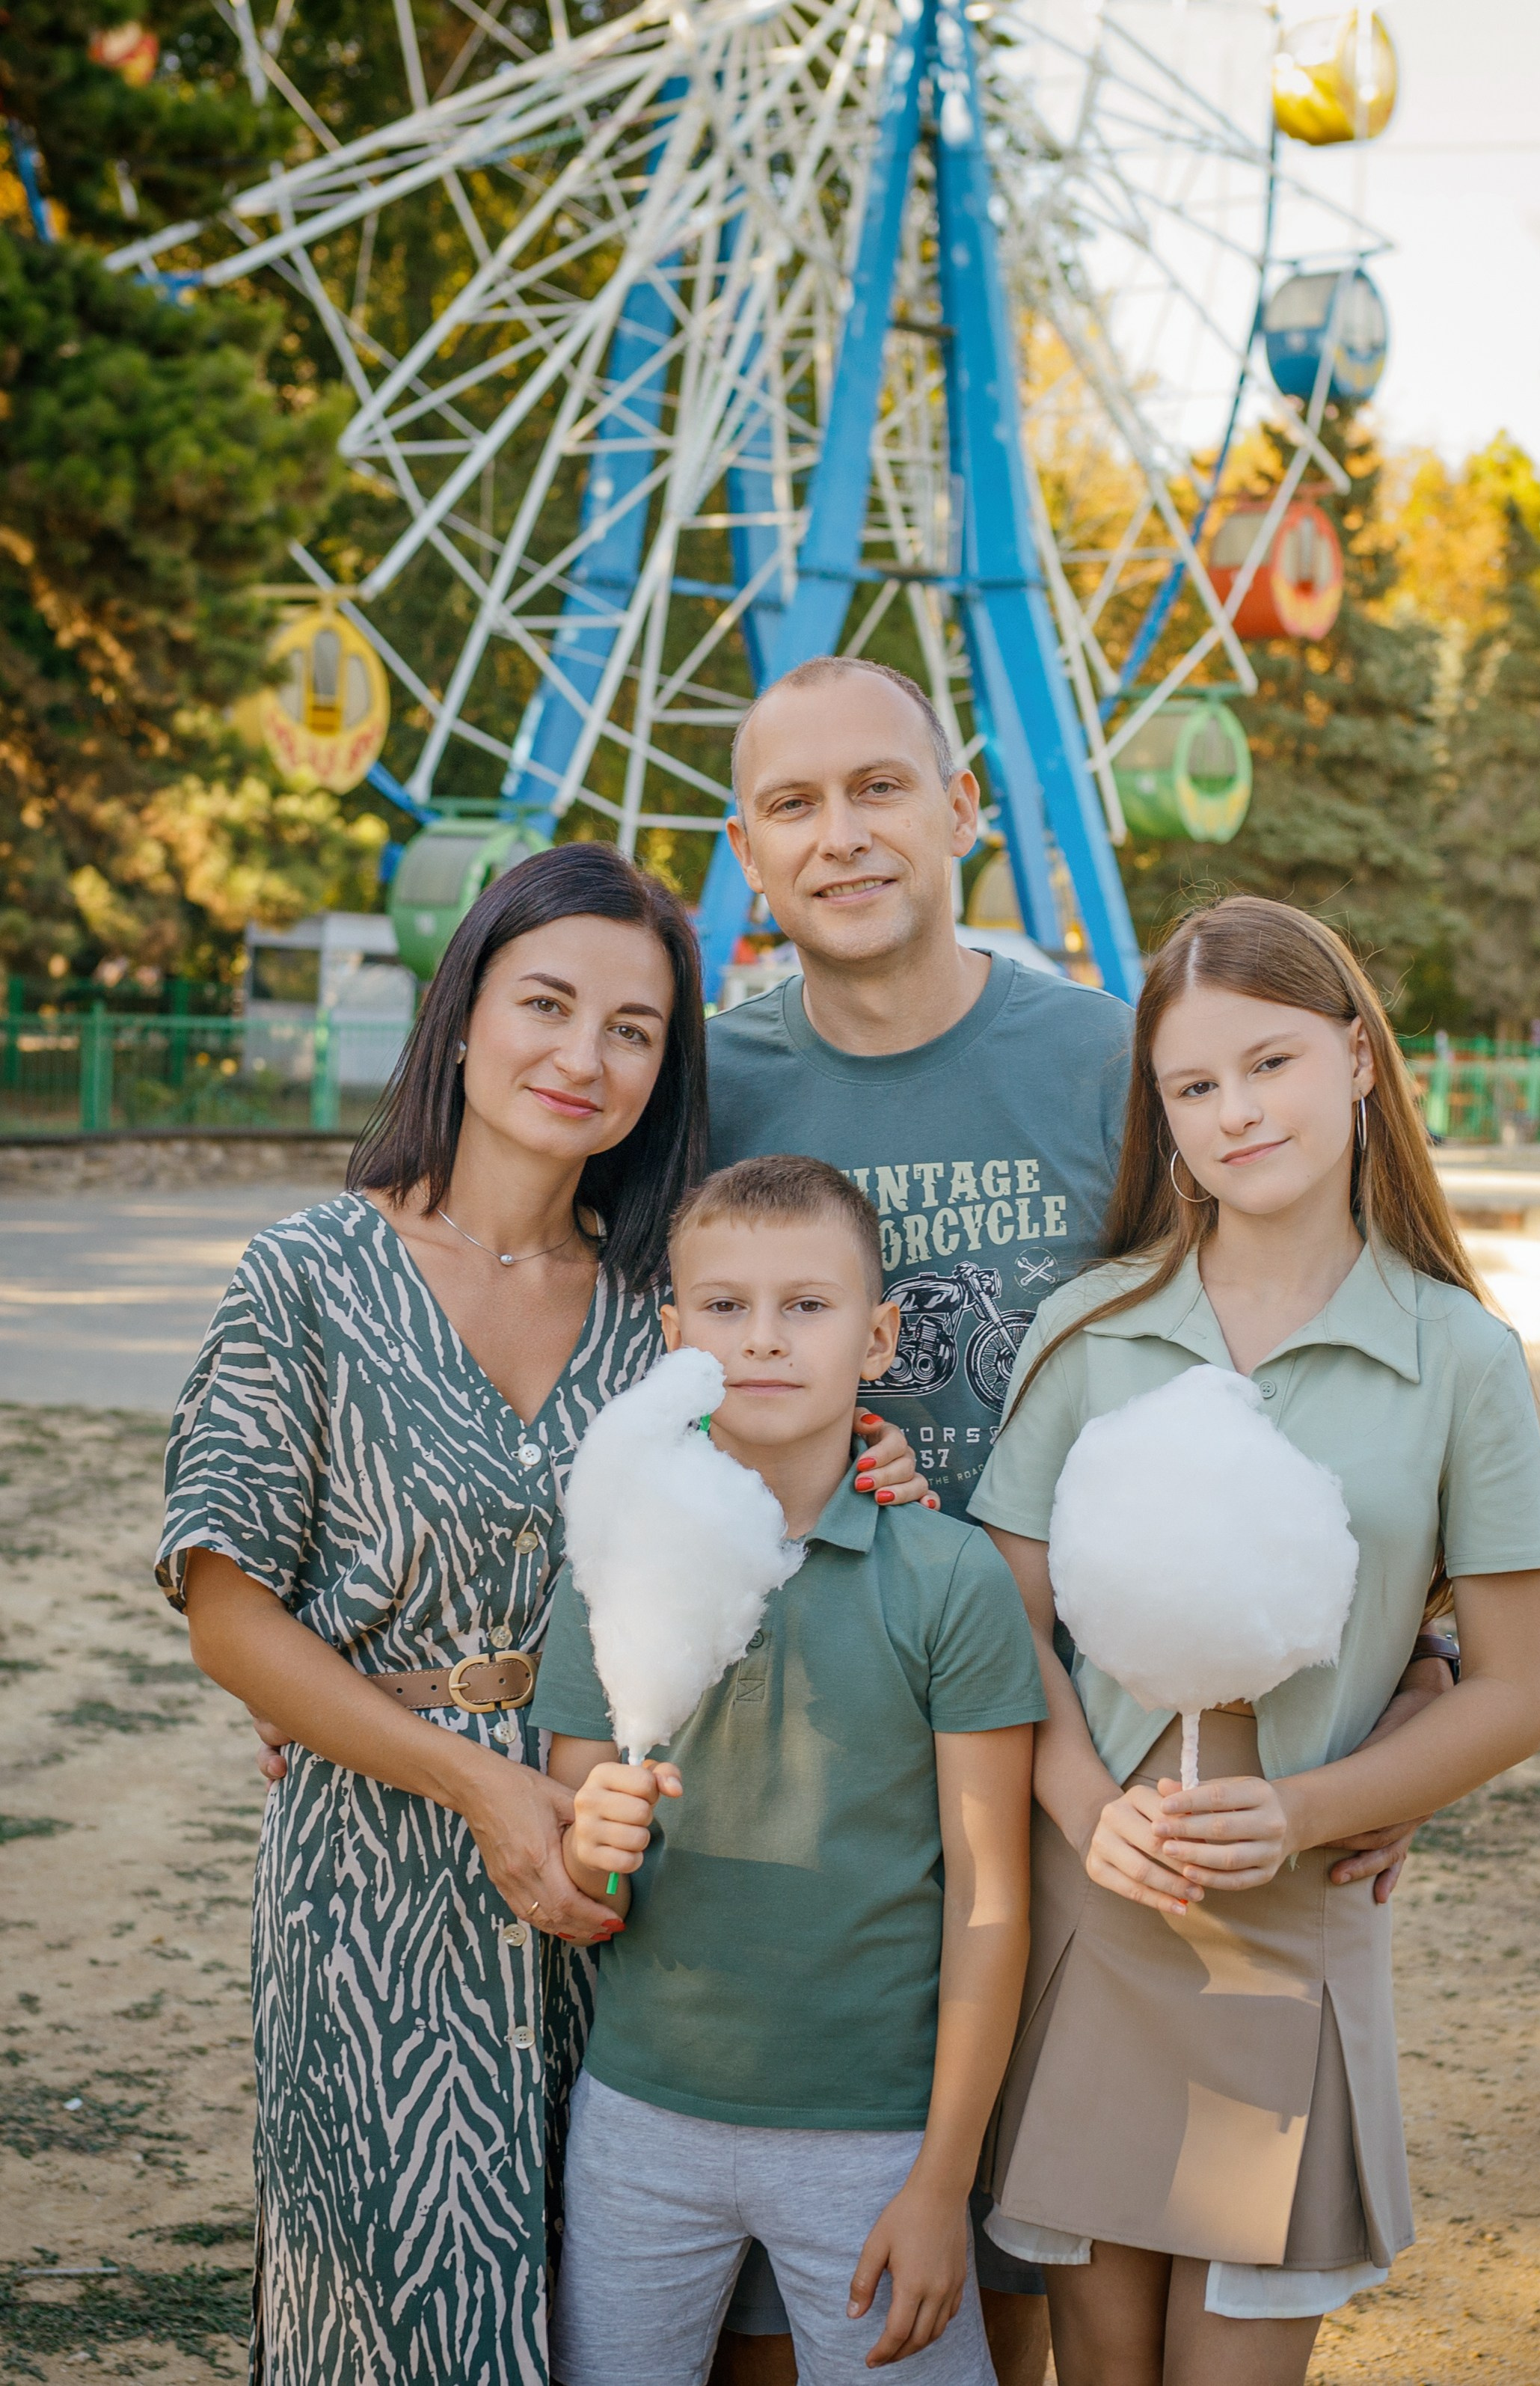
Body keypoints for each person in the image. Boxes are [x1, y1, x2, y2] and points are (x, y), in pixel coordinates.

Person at [702, 655, 1449, 2381]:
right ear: (746, 851)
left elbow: (1269, 1341)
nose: (840, 834)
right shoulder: (710, 1086)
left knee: (1024, 2268)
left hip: (1070, 1767)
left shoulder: (1105, 1059)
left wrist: (1401, 1675)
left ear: (962, 806)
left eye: (880, 786)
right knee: (793, 2297)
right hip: (796, 1751)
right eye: (792, 803)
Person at [160, 846, 925, 2386]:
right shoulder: (308, 1276)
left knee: (622, 2318)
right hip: (374, 1883)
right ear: (461, 1014)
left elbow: (786, 1497)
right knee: (398, 2312)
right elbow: (229, 1613)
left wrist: (873, 1458)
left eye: (633, 1028)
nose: (584, 1054)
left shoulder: (672, 1310)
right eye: (548, 1003)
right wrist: (480, 1784)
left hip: (639, 1874)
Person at [966, 895, 1540, 2385]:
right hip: (1097, 1903)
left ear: (1357, 1058)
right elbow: (998, 1618)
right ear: (1161, 1116)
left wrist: (1307, 1808)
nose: (1235, 1110)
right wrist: (1085, 1812)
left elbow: (1510, 1693)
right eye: (1193, 1084)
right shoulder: (1091, 1328)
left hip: (1294, 1921)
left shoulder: (1459, 1356)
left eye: (1269, 1062)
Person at [531, 1156, 1048, 2383]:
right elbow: (577, 1876)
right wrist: (589, 1842)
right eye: (725, 1306)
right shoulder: (616, 1562)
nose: (763, 1337)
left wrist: (943, 2179)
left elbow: (988, 1897)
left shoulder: (947, 1576)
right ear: (673, 1337)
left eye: (806, 1306)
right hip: (643, 2115)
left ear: (878, 1339)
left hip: (878, 2133)